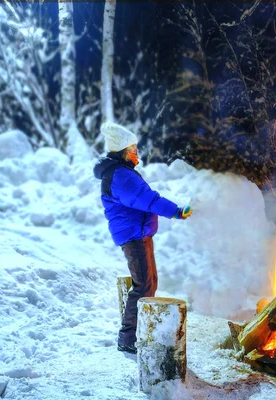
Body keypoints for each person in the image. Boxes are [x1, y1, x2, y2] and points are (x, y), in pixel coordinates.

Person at [93, 122, 193, 354]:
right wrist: (176, 211)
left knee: (149, 283)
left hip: (138, 234)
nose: (137, 153)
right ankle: (128, 338)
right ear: (123, 152)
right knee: (143, 286)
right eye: (133, 149)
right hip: (133, 235)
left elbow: (146, 198)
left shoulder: (121, 172)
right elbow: (147, 198)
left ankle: (137, 333)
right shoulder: (120, 175)